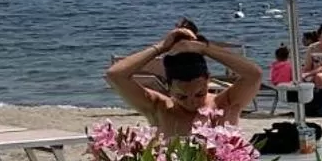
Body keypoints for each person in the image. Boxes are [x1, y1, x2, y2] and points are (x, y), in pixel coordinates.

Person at [106, 23, 263, 138]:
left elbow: (254, 75)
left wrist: (203, 48)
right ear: (168, 87)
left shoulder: (226, 104)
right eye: (182, 96)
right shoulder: (159, 108)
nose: (192, 102)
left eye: (199, 94)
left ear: (208, 80)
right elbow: (115, 75)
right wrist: (161, 47)